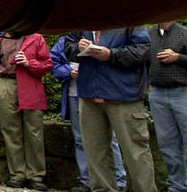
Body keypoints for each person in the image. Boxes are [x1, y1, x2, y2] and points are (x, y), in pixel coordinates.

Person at [64, 28, 157, 192]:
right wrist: (78, 48)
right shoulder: (82, 17)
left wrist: (111, 55)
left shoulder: (129, 16)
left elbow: (143, 50)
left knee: (135, 152)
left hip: (123, 95)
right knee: (95, 153)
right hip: (89, 93)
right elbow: (67, 47)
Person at [50, 34, 129, 192]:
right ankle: (86, 180)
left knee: (109, 138)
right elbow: (53, 63)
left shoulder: (106, 34)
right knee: (80, 139)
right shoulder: (66, 39)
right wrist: (68, 72)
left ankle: (118, 180)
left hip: (100, 92)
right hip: (74, 95)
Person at [147, 20, 187, 192]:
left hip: (185, 93)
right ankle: (177, 186)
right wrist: (148, 83)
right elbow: (142, 60)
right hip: (158, 95)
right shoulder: (149, 35)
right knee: (167, 144)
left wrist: (178, 57)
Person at [0, 31, 52, 190]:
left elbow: (47, 65)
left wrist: (30, 63)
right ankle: (17, 174)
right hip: (6, 84)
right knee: (11, 132)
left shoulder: (36, 37)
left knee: (34, 133)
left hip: (31, 84)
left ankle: (36, 176)